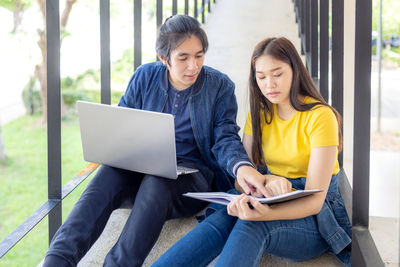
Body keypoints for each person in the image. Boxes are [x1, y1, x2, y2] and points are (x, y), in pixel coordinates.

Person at [42, 15, 270, 267]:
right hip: (140, 167)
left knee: (158, 181)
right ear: (164, 58)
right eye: (183, 58)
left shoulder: (219, 87)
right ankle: (57, 260)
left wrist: (241, 167)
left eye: (199, 55)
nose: (193, 66)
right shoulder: (144, 77)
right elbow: (122, 124)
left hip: (191, 180)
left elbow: (225, 137)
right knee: (105, 177)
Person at [152, 37, 352, 267]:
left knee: (252, 222)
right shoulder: (260, 113)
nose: (269, 84)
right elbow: (241, 182)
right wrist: (264, 181)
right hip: (270, 195)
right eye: (261, 76)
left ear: (295, 71)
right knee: (227, 216)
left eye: (277, 74)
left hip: (315, 218)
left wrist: (263, 213)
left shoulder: (320, 116)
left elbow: (314, 202)